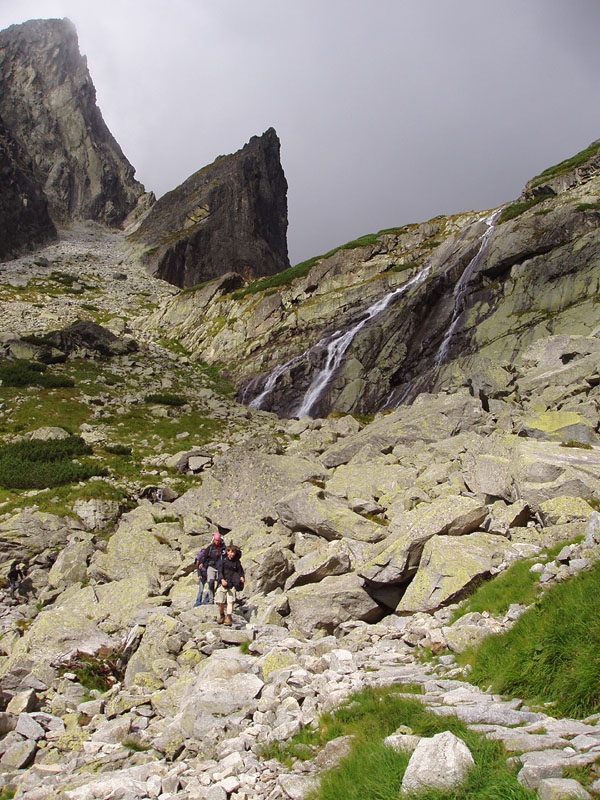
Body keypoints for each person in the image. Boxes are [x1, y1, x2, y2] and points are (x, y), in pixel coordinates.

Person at [215, 543, 245, 626]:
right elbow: (220, 571)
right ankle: (222, 616)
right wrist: (221, 579)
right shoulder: (223, 561)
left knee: (230, 602)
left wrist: (242, 577)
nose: (231, 554)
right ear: (227, 552)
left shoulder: (237, 562)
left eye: (233, 552)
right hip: (223, 584)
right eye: (230, 552)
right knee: (220, 602)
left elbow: (240, 571)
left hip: (232, 584)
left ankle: (228, 617)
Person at [195, 530, 225, 605]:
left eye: (218, 540)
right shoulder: (210, 548)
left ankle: (217, 598)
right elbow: (205, 556)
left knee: (219, 583)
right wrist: (201, 563)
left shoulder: (223, 548)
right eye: (215, 540)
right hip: (211, 567)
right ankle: (211, 599)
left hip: (220, 568)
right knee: (210, 582)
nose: (216, 542)